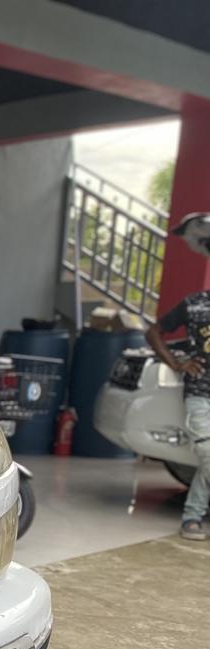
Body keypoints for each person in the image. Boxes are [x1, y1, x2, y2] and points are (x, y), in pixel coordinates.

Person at [147, 212, 210, 541]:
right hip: (201, 391)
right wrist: (175, 362)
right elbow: (154, 332)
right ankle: (192, 517)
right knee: (208, 453)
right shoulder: (195, 304)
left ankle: (192, 517)